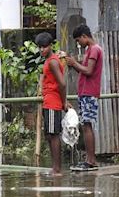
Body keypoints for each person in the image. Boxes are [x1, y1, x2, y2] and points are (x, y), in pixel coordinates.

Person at [65, 24, 103, 171]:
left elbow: (88, 70)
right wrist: (74, 64)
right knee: (85, 125)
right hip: (85, 92)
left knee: (87, 125)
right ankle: (89, 159)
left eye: (78, 40)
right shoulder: (90, 50)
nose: (78, 43)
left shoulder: (94, 50)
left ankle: (91, 160)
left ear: (84, 37)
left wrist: (74, 63)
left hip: (89, 92)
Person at [35, 32, 67, 176]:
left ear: (50, 46)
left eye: (44, 47)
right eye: (40, 47)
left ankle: (57, 169)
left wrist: (64, 102)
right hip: (48, 102)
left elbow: (62, 83)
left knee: (54, 135)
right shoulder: (49, 61)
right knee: (49, 135)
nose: (42, 50)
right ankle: (55, 167)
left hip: (53, 102)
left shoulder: (53, 61)